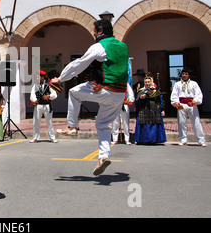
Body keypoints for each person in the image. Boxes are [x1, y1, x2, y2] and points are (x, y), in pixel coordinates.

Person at [51, 19, 129, 175]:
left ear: (100, 31)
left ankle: (72, 126)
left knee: (73, 92)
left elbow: (80, 63)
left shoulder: (99, 46)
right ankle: (104, 156)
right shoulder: (123, 46)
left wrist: (61, 79)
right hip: (120, 94)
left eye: (94, 30)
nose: (93, 33)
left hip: (104, 89)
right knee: (102, 124)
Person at [170, 68, 207, 147]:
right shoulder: (177, 84)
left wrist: (194, 101)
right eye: (183, 74)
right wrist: (176, 103)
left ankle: (201, 140)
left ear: (189, 75)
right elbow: (174, 95)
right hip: (181, 104)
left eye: (186, 74)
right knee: (182, 123)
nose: (184, 75)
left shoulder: (194, 84)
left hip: (191, 104)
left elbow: (198, 94)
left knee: (196, 122)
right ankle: (183, 140)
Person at [134, 75, 166, 144]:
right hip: (144, 110)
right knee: (144, 125)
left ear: (151, 82)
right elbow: (137, 101)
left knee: (154, 124)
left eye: (148, 82)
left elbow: (160, 101)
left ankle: (154, 139)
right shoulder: (141, 91)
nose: (147, 83)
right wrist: (141, 98)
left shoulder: (156, 91)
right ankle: (144, 140)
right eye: (146, 82)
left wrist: (162, 109)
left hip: (154, 110)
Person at [29, 70, 58, 143]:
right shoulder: (35, 85)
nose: (37, 78)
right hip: (38, 106)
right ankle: (36, 137)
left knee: (49, 122)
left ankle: (52, 137)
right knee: (36, 122)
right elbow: (32, 94)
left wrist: (49, 96)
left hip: (47, 106)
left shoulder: (49, 85)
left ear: (42, 77)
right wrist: (34, 100)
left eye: (38, 77)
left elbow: (54, 95)